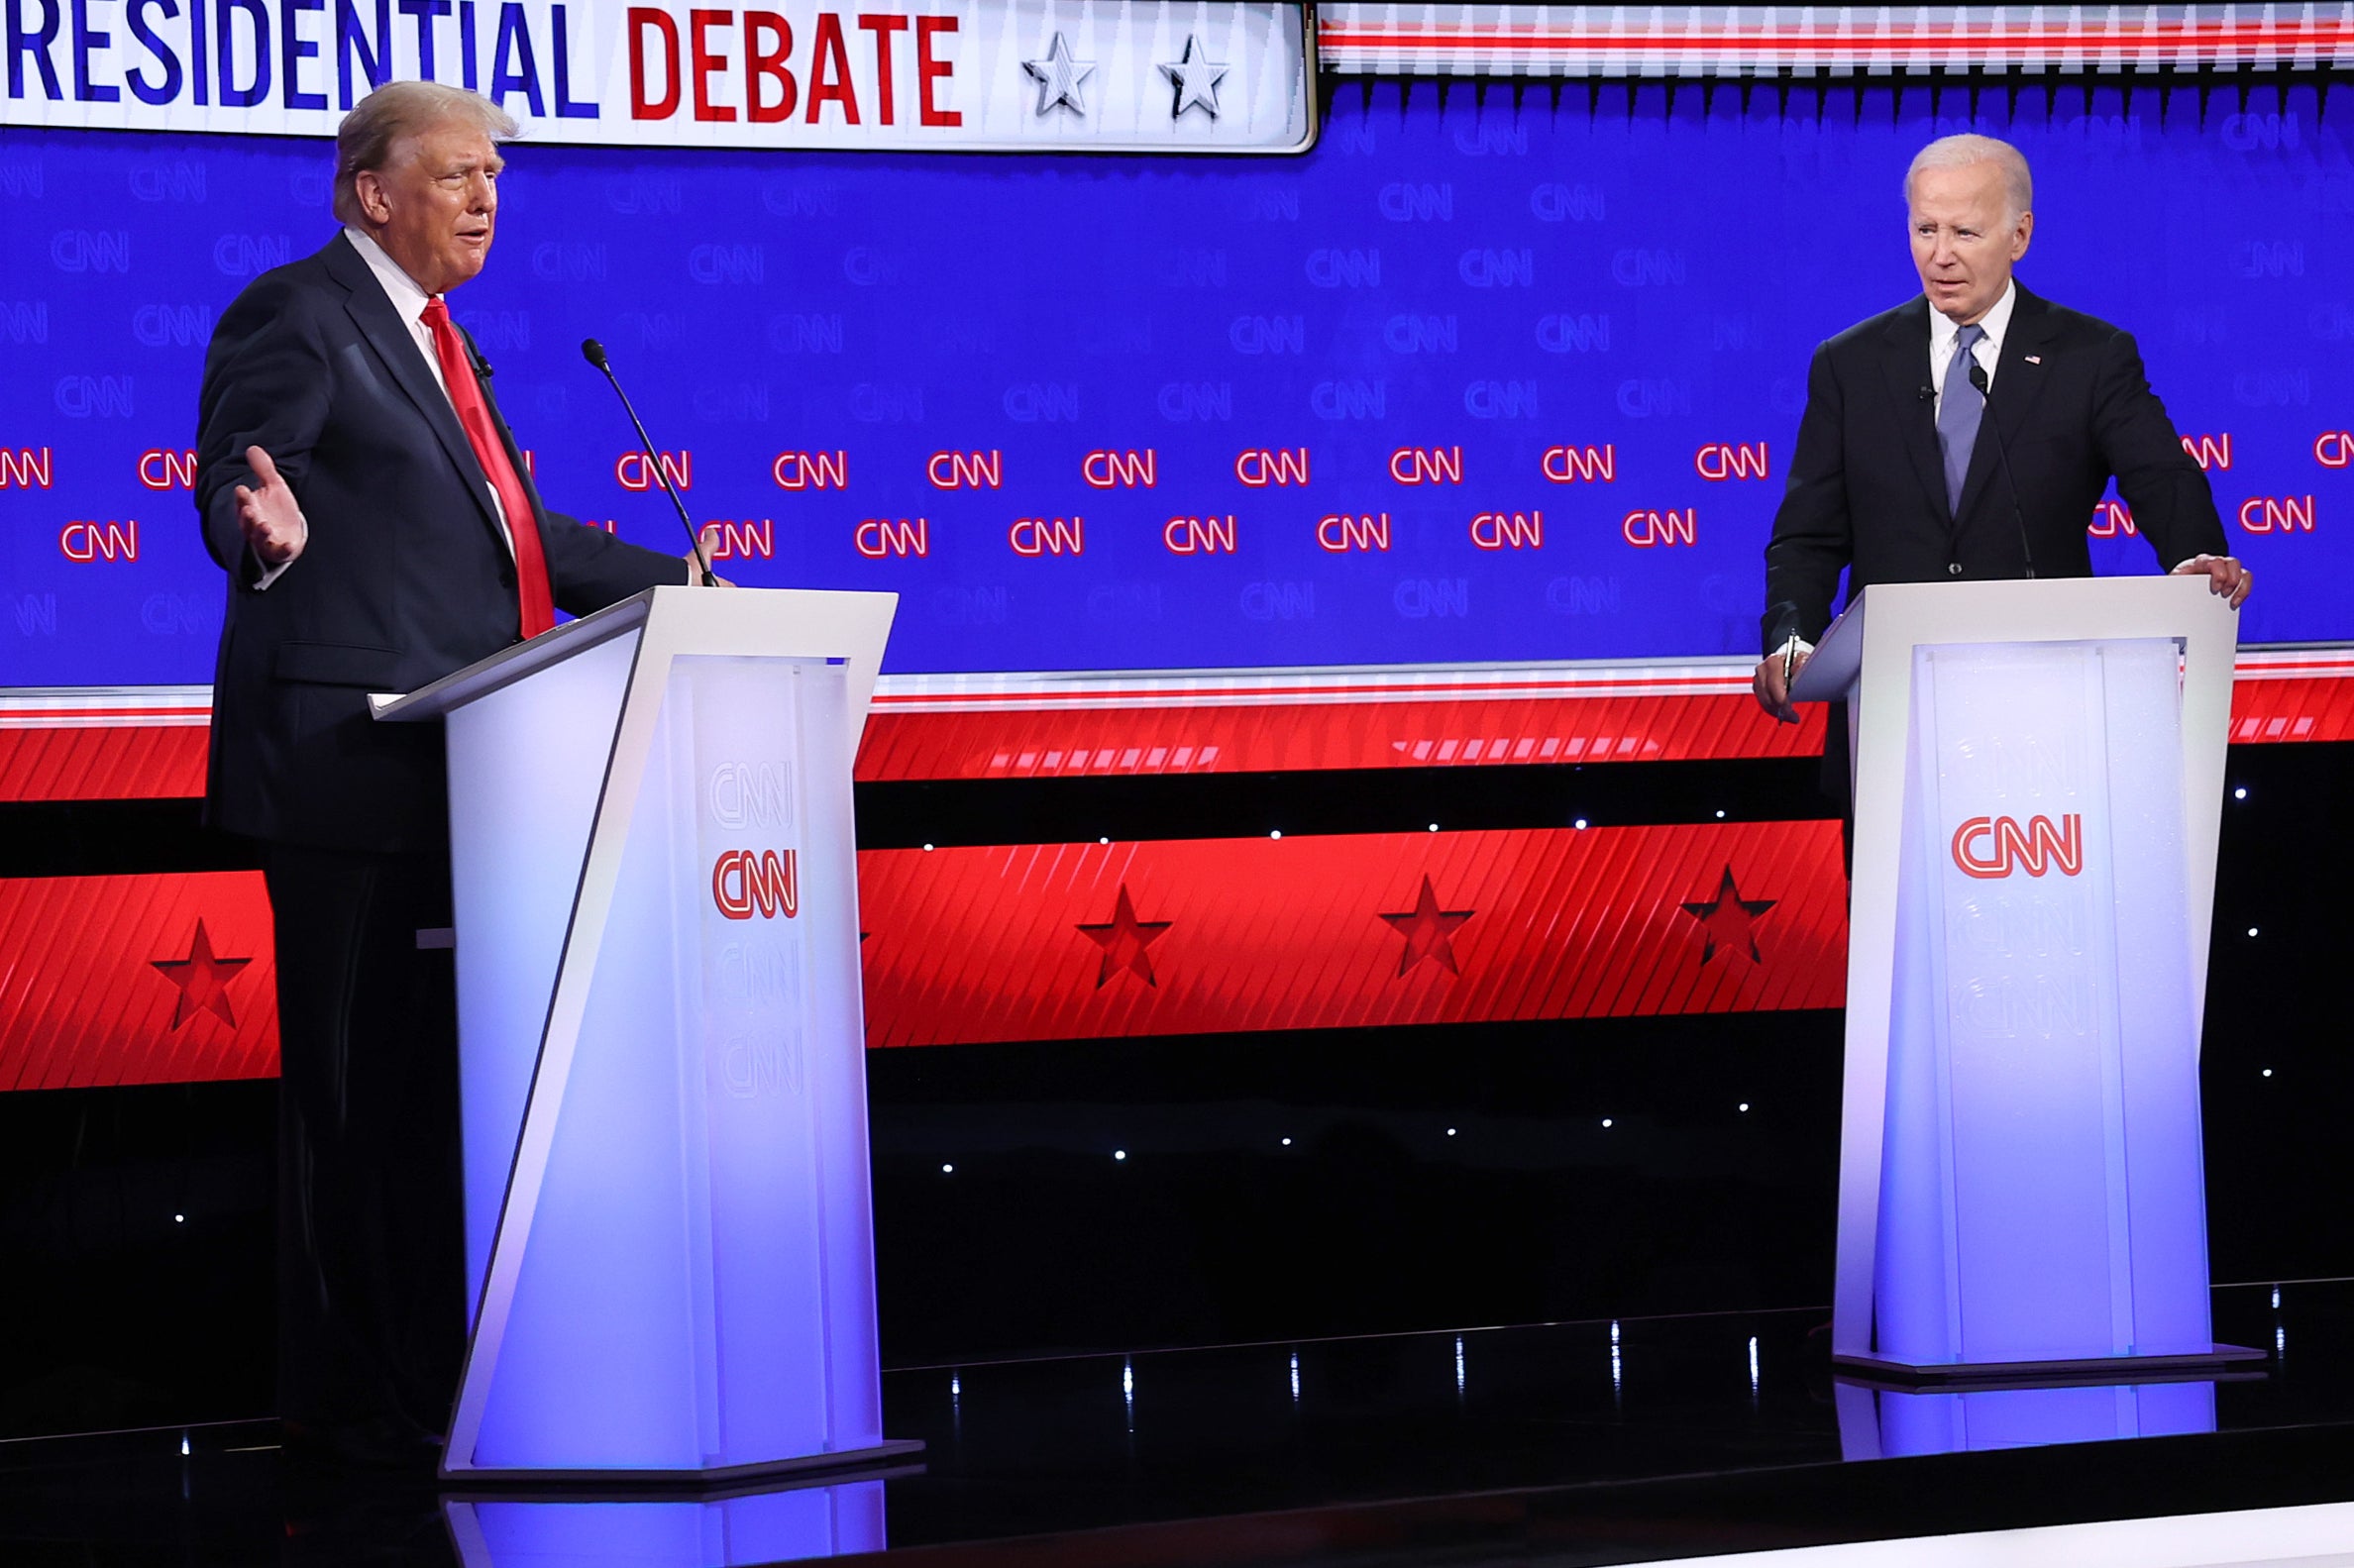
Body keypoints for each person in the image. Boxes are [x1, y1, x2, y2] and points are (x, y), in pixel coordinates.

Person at [194, 81, 708, 1467]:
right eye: (457, 173)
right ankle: (341, 1405)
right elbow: (239, 477)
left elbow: (516, 533)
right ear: (372, 190)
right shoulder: (297, 312)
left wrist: (695, 582)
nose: (487, 196)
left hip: (452, 773)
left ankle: (428, 1380)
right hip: (341, 770)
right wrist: (265, 530)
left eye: (495, 172)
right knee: (349, 1106)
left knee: (426, 1103)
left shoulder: (446, 343)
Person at [1754, 134, 2251, 734]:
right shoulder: (1849, 364)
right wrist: (1791, 635)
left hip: (2047, 702)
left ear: (2019, 235)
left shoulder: (2090, 356)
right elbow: (1808, 536)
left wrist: (2195, 556)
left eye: (1965, 233)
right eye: (1925, 229)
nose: (1940, 255)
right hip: (1891, 715)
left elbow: (2162, 478)